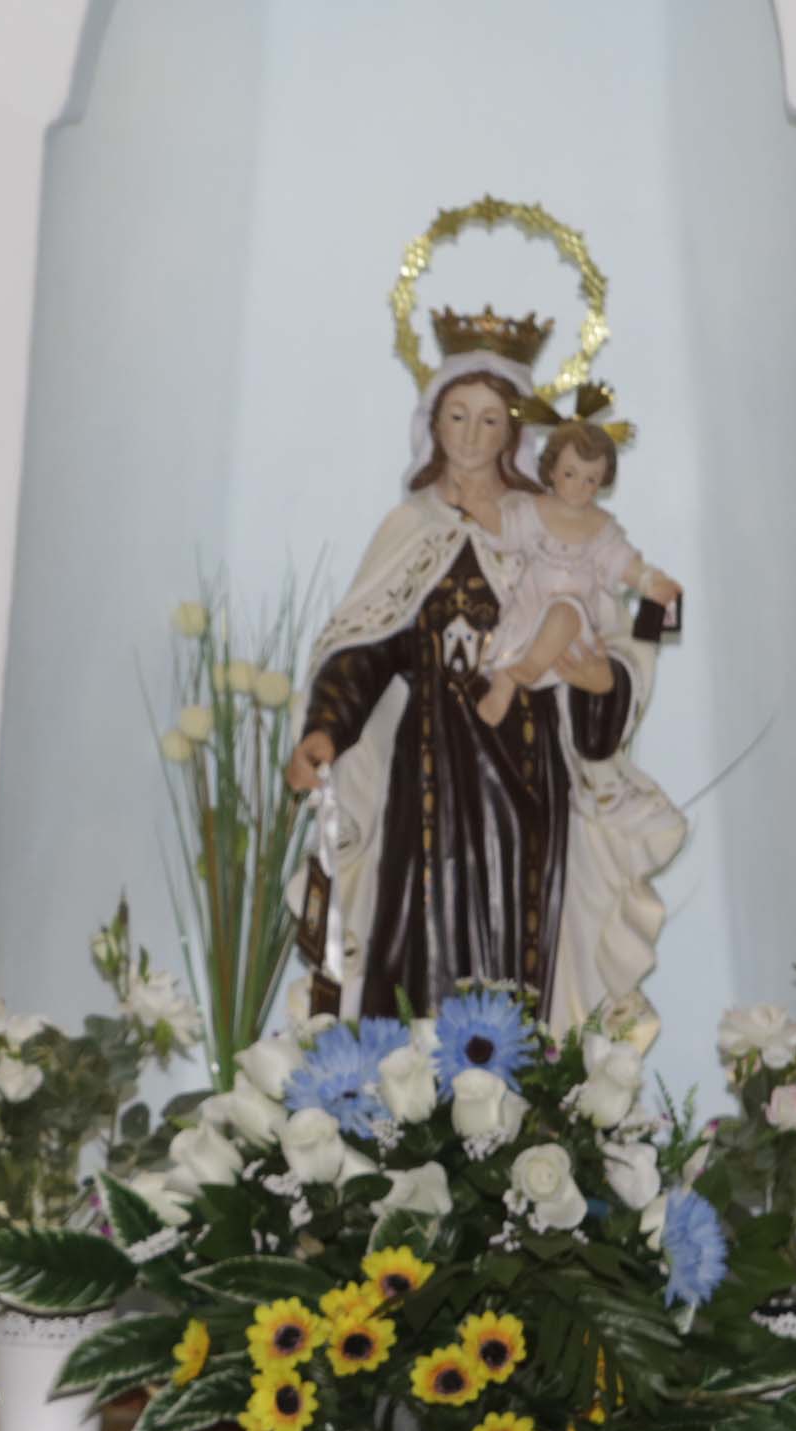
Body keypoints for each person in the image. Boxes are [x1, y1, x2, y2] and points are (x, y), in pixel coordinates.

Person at [285, 312, 680, 1032]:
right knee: (418, 941)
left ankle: (514, 1115)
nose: (470, 435)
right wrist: (326, 729)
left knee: (514, 933)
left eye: (490, 420)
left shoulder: (548, 526)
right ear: (433, 422)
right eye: (457, 416)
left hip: (525, 769)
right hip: (429, 774)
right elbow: (369, 646)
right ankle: (403, 1110)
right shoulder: (411, 529)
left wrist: (602, 686)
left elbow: (607, 635)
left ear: (515, 435)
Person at [474, 411, 684, 728]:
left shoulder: (600, 527)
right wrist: (480, 506)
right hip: (528, 613)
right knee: (507, 658)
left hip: (574, 627)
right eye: (571, 474)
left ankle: (532, 666)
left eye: (591, 480)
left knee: (565, 610)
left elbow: (622, 562)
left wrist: (649, 580)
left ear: (602, 483)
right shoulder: (534, 510)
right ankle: (502, 693)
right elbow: (506, 530)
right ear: (553, 470)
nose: (579, 487)